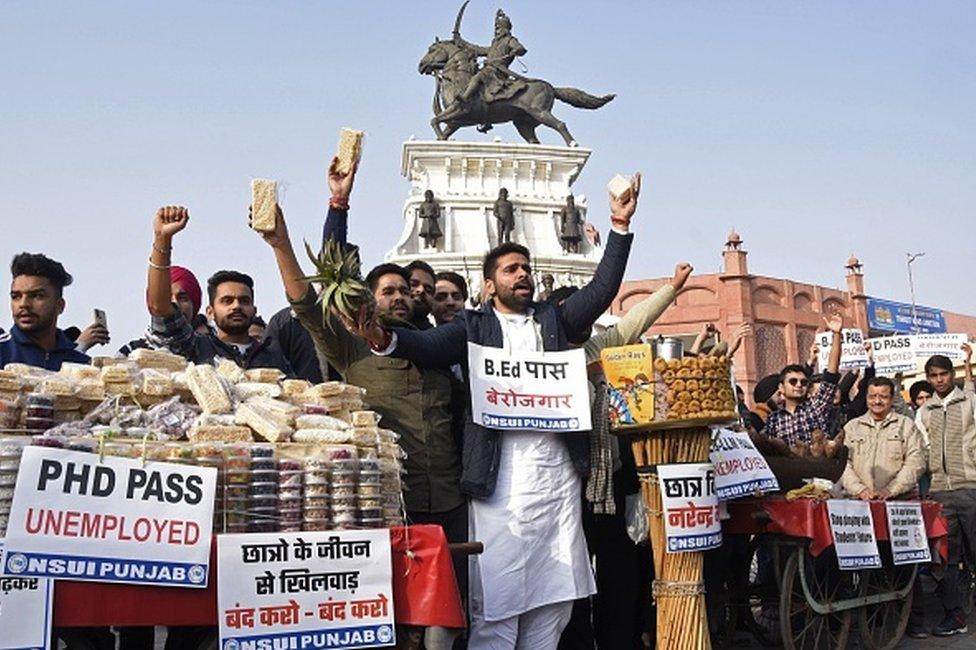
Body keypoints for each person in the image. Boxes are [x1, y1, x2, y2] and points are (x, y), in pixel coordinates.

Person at [345, 173, 640, 648]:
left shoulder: (555, 321)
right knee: (498, 602)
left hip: (557, 480)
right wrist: (385, 338)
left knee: (555, 601)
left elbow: (602, 290)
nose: (521, 274)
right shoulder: (472, 327)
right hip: (498, 484)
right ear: (489, 285)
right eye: (510, 269)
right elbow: (425, 344)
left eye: (525, 267)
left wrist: (620, 227)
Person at [259, 199, 465, 650]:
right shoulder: (351, 346)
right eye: (387, 290)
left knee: (447, 615)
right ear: (369, 298)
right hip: (386, 502)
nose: (398, 297)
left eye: (403, 290)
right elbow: (306, 303)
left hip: (448, 499)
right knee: (385, 611)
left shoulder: (438, 348)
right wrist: (281, 244)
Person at [144, 206, 292, 373]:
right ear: (211, 311)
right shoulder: (195, 348)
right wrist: (162, 239)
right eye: (226, 301)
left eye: (244, 301)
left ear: (254, 310)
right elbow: (159, 308)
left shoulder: (273, 358)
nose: (236, 306)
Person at [914, 353, 976, 636]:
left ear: (953, 374)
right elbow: (920, 451)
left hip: (971, 487)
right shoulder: (924, 411)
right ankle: (955, 615)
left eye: (943, 374)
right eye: (934, 376)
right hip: (938, 490)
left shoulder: (971, 402)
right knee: (945, 557)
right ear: (928, 378)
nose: (939, 380)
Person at [1, 253, 92, 369]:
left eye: (37, 296)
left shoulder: (81, 365)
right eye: (16, 296)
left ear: (60, 306)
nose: (23, 304)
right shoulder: (3, 351)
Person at [764, 314, 843, 446]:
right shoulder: (774, 419)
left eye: (804, 382)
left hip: (818, 466)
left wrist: (836, 335)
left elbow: (831, 374)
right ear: (781, 388)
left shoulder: (816, 407)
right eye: (793, 382)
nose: (799, 385)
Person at [405, 259, 436, 327]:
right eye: (413, 284)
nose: (421, 290)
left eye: (428, 290)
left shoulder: (436, 336)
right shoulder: (382, 332)